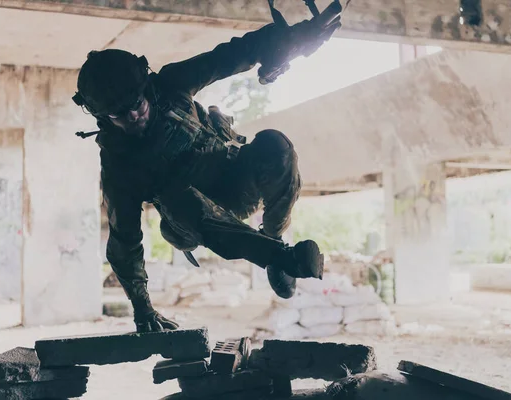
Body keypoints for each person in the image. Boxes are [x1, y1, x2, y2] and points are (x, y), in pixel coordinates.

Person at [72, 10, 341, 333]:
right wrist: (144, 311)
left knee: (275, 145)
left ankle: (273, 237)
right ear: (104, 118)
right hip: (187, 220)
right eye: (119, 114)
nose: (133, 115)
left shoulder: (172, 84)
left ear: (147, 87)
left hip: (235, 181)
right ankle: (281, 257)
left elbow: (231, 55)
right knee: (174, 195)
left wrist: (293, 38)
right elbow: (124, 243)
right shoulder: (120, 165)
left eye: (136, 103)